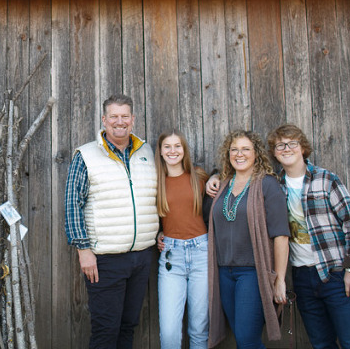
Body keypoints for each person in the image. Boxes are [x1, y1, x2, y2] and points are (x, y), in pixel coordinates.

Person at [64, 93, 158, 348]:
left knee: (128, 326)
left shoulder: (145, 151)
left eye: (125, 116)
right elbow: (73, 204)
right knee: (106, 330)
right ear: (104, 120)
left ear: (133, 119)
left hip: (141, 256)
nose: (120, 122)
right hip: (105, 260)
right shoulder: (86, 155)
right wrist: (84, 250)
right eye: (114, 116)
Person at [267, 124, 350, 349]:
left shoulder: (325, 179)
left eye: (292, 143)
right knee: (321, 343)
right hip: (302, 277)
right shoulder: (275, 186)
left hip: (334, 274)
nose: (286, 148)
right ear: (275, 152)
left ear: (303, 148)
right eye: (280, 145)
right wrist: (215, 176)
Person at [207, 130, 289, 349]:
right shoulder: (222, 185)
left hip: (252, 274)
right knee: (242, 337)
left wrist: (279, 279)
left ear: (256, 154)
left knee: (247, 340)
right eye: (234, 149)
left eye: (245, 149)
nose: (239, 154)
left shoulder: (267, 185)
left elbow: (281, 235)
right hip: (224, 273)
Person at [155, 129, 210, 349]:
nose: (172, 151)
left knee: (199, 329)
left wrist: (215, 176)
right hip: (171, 257)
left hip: (201, 254)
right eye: (167, 146)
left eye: (177, 146)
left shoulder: (199, 177)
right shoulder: (156, 182)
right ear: (160, 151)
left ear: (184, 150)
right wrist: (159, 233)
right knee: (169, 332)